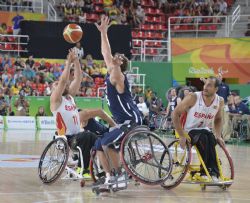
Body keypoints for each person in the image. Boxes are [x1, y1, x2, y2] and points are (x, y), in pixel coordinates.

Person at [50, 49, 116, 178]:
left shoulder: (69, 97)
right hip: (66, 138)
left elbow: (78, 78)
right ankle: (82, 168)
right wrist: (68, 63)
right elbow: (63, 81)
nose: (59, 85)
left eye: (59, 84)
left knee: (98, 140)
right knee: (87, 136)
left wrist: (76, 61)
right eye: (56, 85)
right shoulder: (55, 100)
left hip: (77, 135)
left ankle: (104, 169)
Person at [94, 16, 142, 187]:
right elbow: (105, 53)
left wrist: (115, 65)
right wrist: (104, 32)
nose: (116, 57)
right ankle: (109, 177)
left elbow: (114, 68)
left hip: (131, 121)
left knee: (108, 142)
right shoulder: (112, 71)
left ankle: (120, 177)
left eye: (120, 58)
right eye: (116, 56)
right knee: (98, 145)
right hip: (122, 123)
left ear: (122, 65)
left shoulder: (119, 76)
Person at [173, 76, 225, 182]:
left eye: (209, 85)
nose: (205, 87)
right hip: (187, 130)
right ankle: (206, 172)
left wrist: (219, 135)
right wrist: (181, 135)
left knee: (211, 138)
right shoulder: (193, 97)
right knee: (203, 138)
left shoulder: (219, 101)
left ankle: (213, 172)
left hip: (204, 130)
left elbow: (218, 119)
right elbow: (175, 114)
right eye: (205, 84)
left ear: (216, 89)